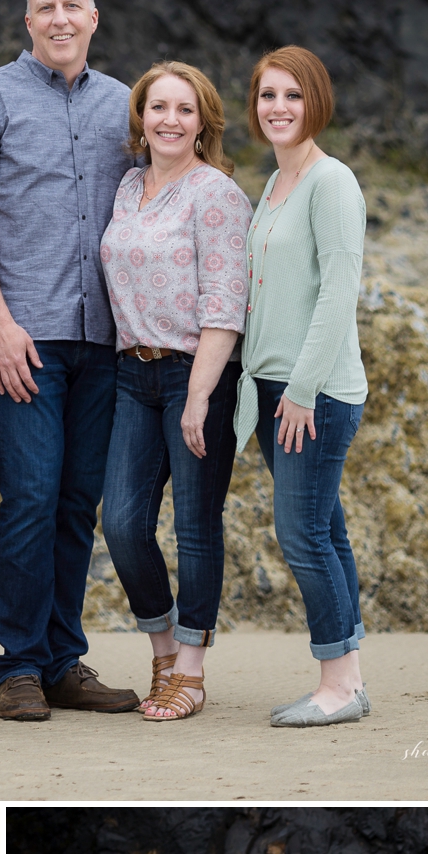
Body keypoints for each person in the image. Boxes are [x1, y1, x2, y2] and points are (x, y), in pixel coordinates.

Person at [0, 0, 140, 724]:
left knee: (76, 504)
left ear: (94, 17)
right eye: (45, 7)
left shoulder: (125, 104)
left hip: (105, 341)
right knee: (29, 498)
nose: (60, 18)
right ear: (28, 22)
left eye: (72, 5)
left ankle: (63, 662)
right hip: (25, 339)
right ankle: (20, 667)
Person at [98, 61, 251, 721]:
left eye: (185, 109)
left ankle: (190, 670)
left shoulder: (216, 193)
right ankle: (163, 651)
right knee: (122, 523)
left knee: (195, 524)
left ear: (203, 122)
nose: (169, 120)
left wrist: (200, 395)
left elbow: (226, 303)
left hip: (197, 374)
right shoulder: (128, 186)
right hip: (132, 373)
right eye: (158, 107)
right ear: (141, 117)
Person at [232, 47, 371, 727]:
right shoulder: (275, 182)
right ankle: (351, 676)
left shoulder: (331, 181)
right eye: (268, 95)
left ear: (316, 102)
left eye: (293, 95)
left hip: (312, 394)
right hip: (272, 390)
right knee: (326, 530)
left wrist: (304, 389)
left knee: (302, 533)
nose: (279, 107)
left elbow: (340, 291)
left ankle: (337, 686)